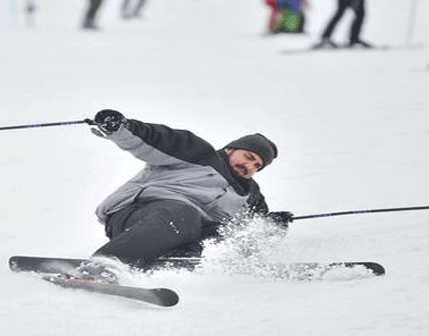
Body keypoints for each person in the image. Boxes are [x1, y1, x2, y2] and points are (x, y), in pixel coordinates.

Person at [80, 109, 294, 280]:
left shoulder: (250, 195)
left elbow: (249, 235)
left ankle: (165, 271)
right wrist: (121, 128)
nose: (249, 166)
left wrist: (272, 225)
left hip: (180, 234)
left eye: (257, 165)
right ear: (231, 149)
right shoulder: (199, 154)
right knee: (184, 214)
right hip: (136, 216)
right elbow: (153, 140)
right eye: (247, 156)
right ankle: (104, 265)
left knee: (205, 242)